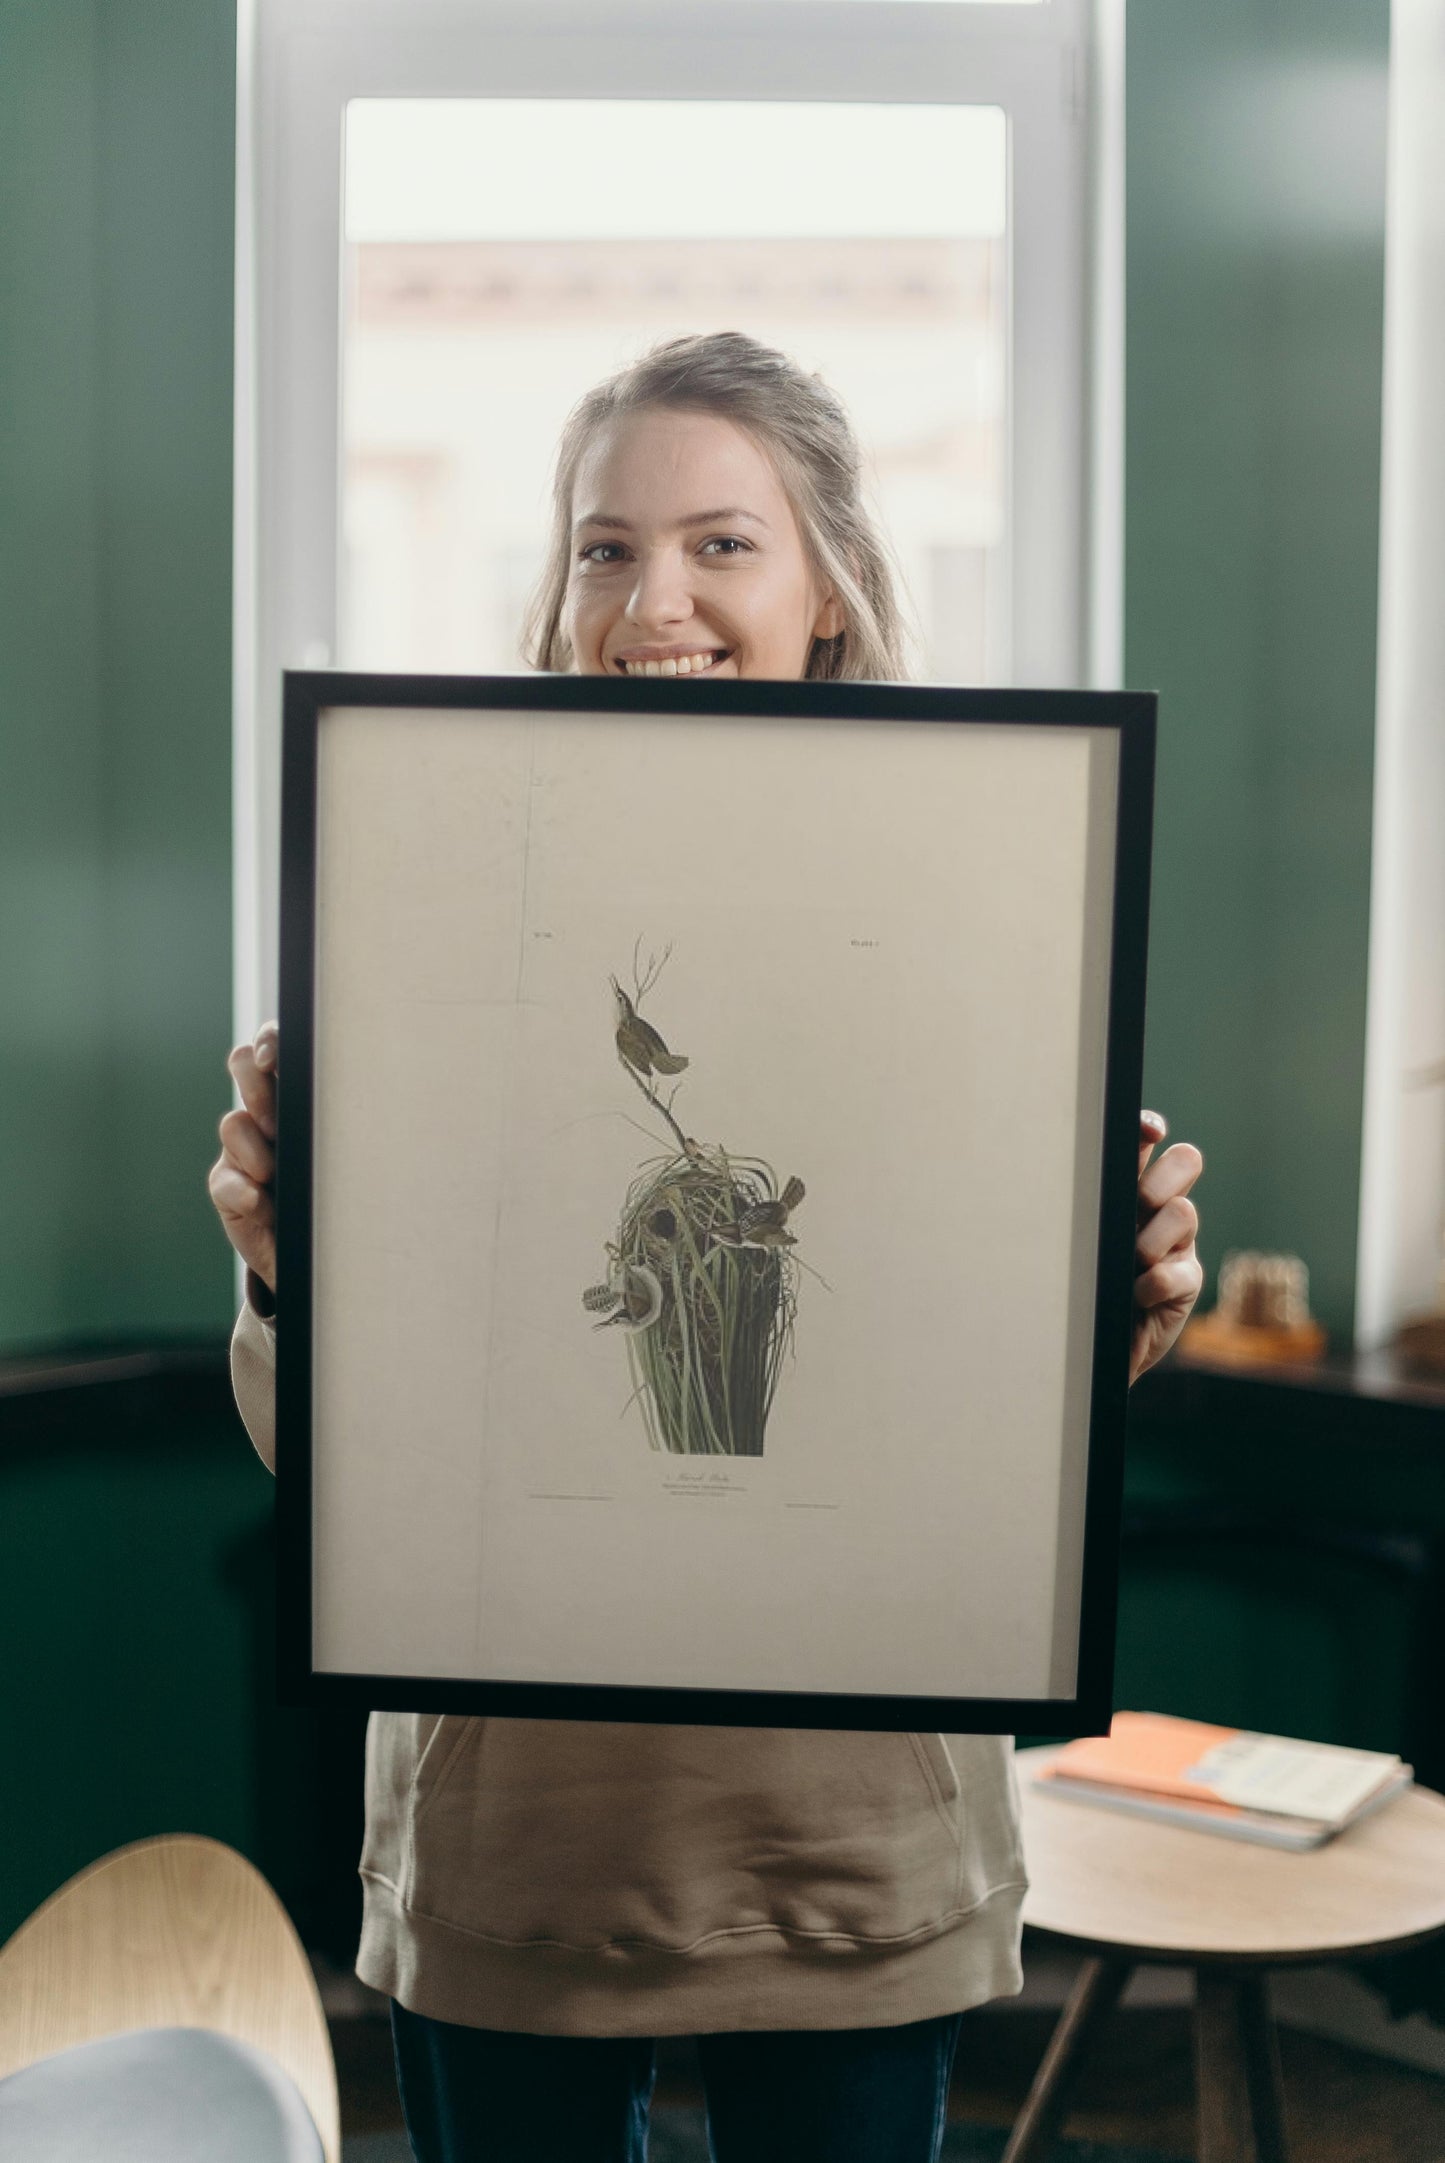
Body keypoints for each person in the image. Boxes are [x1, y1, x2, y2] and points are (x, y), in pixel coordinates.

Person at [210, 332, 1204, 2163]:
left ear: (827, 585)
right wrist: (286, 1274)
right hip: (519, 1834)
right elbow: (340, 1461)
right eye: (603, 546)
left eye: (719, 543)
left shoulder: (984, 914)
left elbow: (969, 1411)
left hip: (850, 1837)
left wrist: (1111, 1307)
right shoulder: (425, 909)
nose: (649, 597)